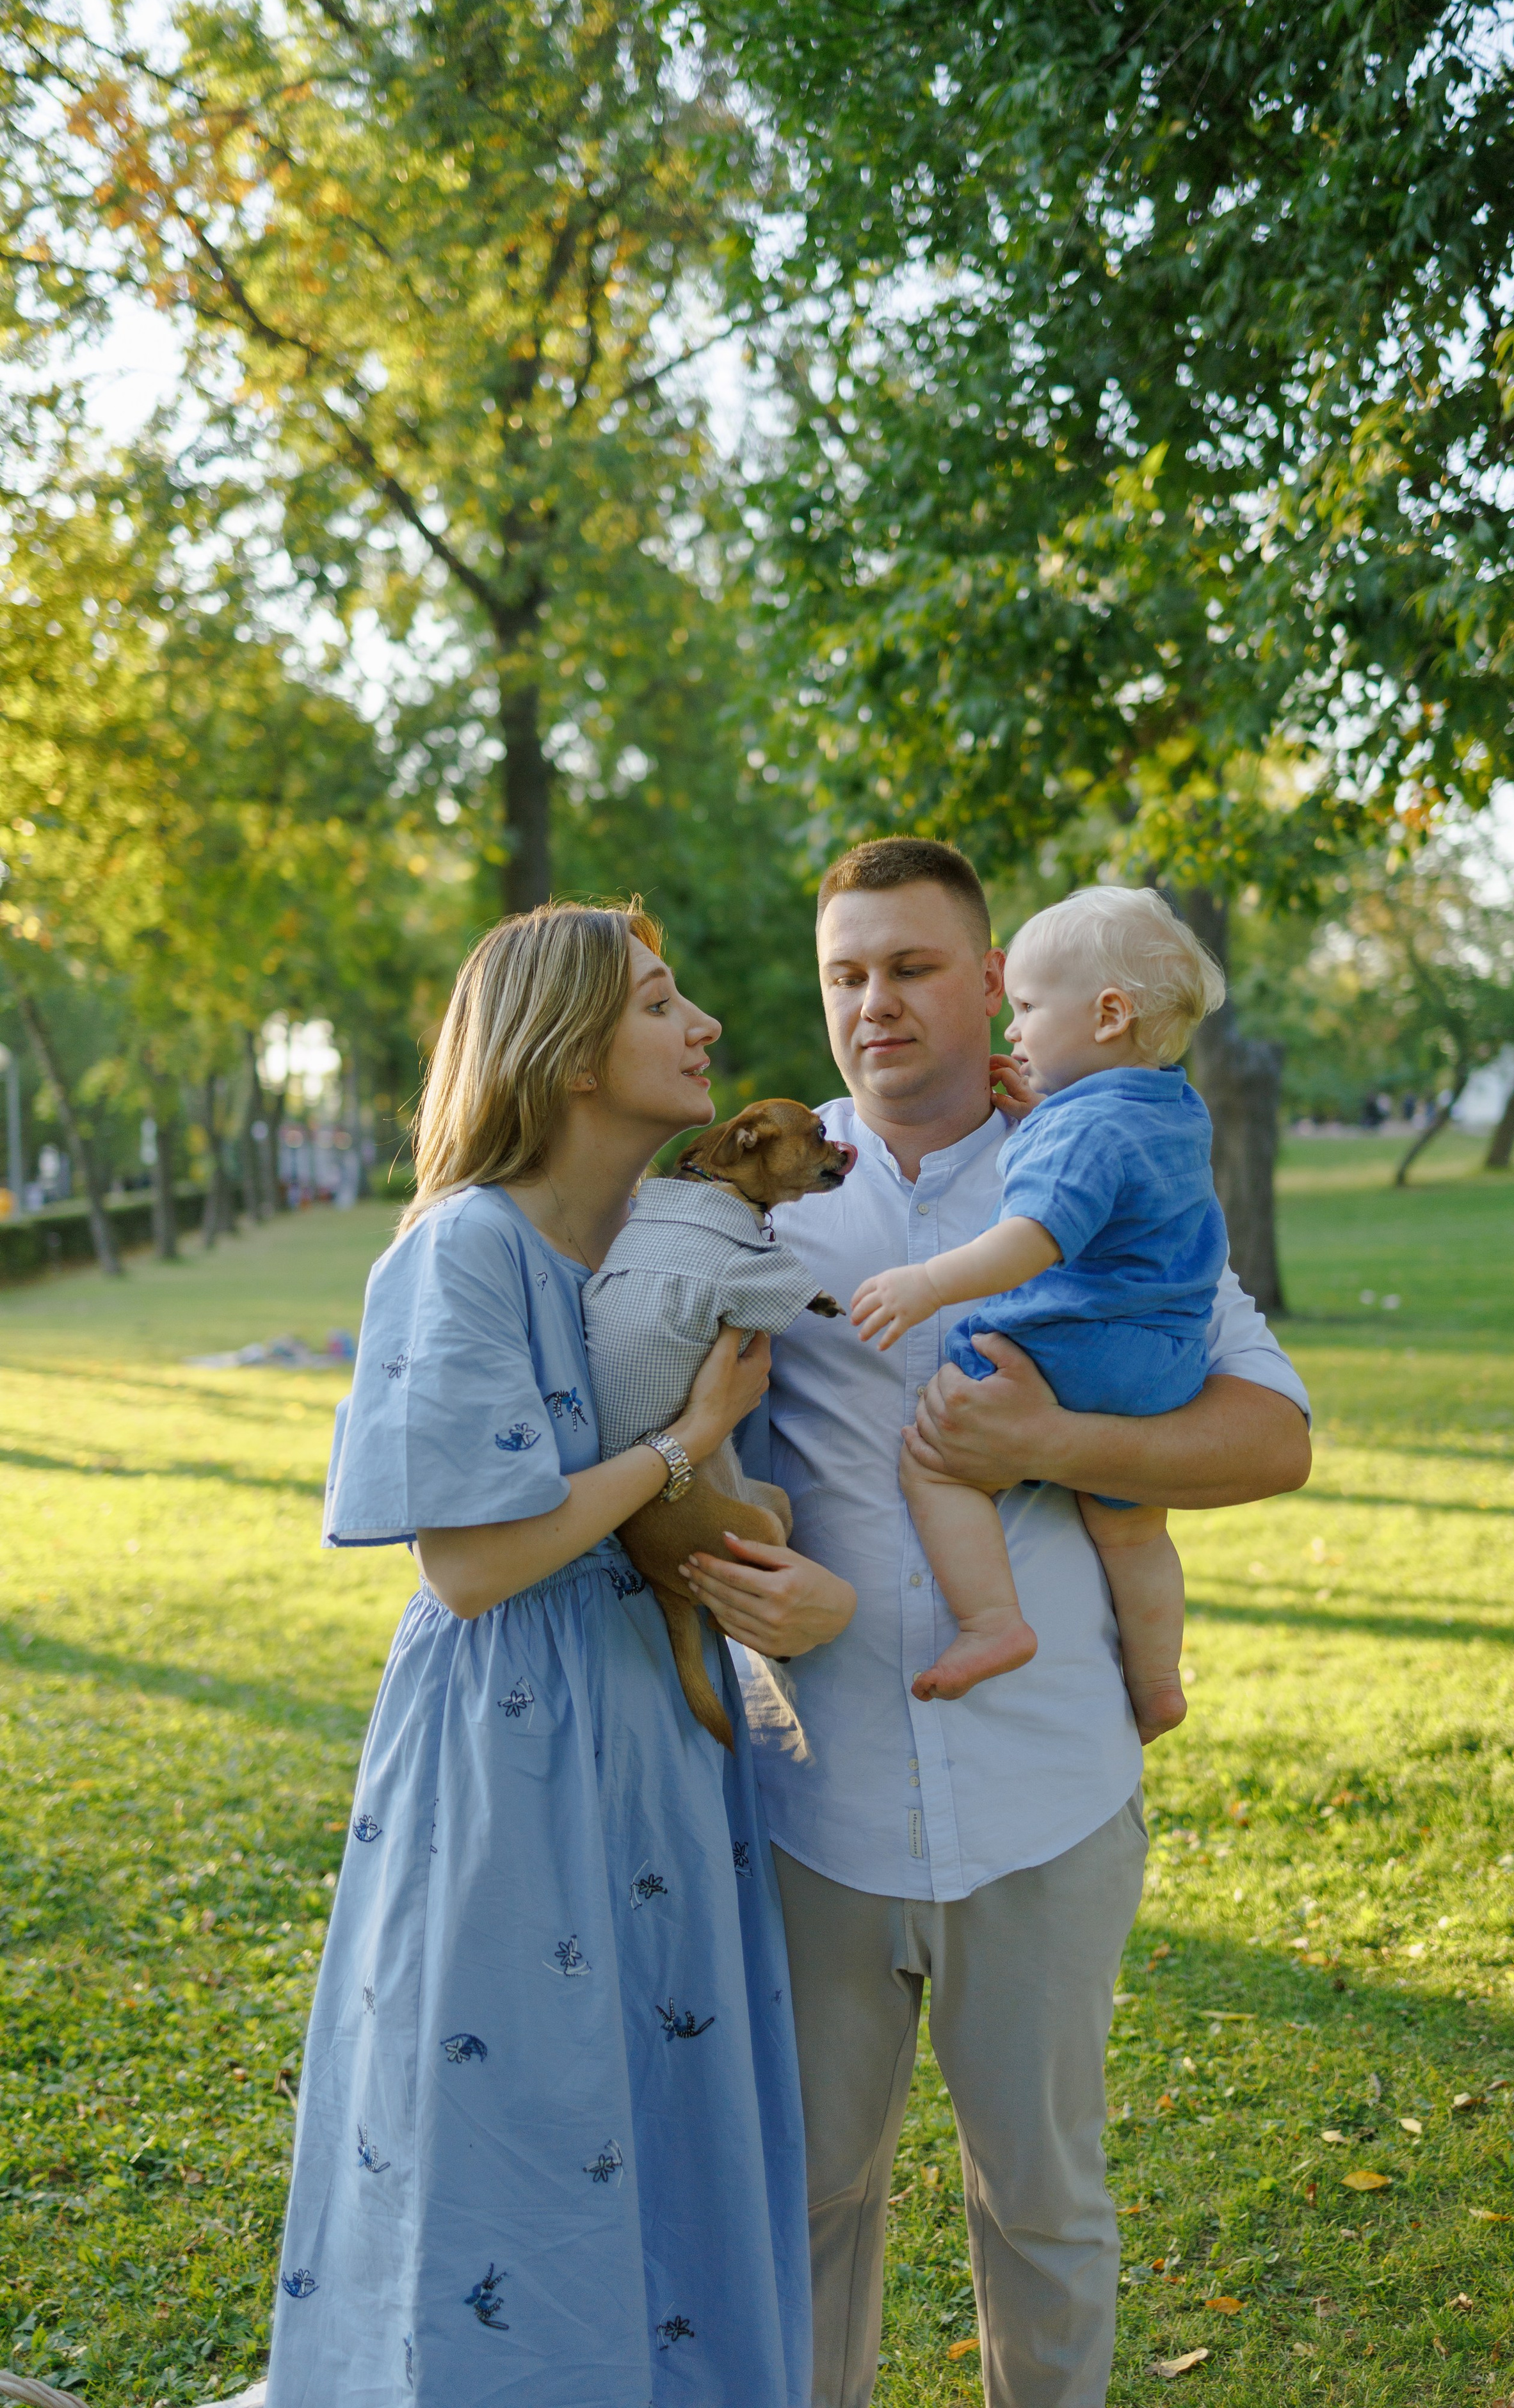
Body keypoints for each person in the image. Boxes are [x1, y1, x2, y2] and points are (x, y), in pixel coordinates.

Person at [679, 839, 1311, 2408]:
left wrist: (1054, 1447)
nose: (873, 1002)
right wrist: (758, 1585)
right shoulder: (756, 1198)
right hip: (809, 1791)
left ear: (988, 988)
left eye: (908, 967)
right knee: (808, 2197)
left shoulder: (1101, 1166)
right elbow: (666, 1450)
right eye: (845, 974)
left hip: (1044, 1788)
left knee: (1042, 2202)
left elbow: (1270, 1437)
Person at [264, 901, 855, 2408]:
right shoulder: (463, 1249)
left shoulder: (664, 1255)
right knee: (516, 2113)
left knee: (658, 2104)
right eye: (663, 1002)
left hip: (658, 1742)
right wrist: (684, 1444)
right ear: (571, 1055)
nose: (705, 1026)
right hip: (511, 1744)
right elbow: (470, 1561)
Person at [849, 885, 1228, 1734]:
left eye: (1026, 1007)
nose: (1012, 1029)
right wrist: (1046, 1117)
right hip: (1162, 1362)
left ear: (1107, 1015)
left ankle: (993, 1622)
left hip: (1071, 1347)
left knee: (936, 1464)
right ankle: (1160, 1679)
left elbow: (1032, 1240)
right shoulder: (1170, 1106)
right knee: (1132, 1531)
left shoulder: (1075, 1132)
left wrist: (928, 1285)